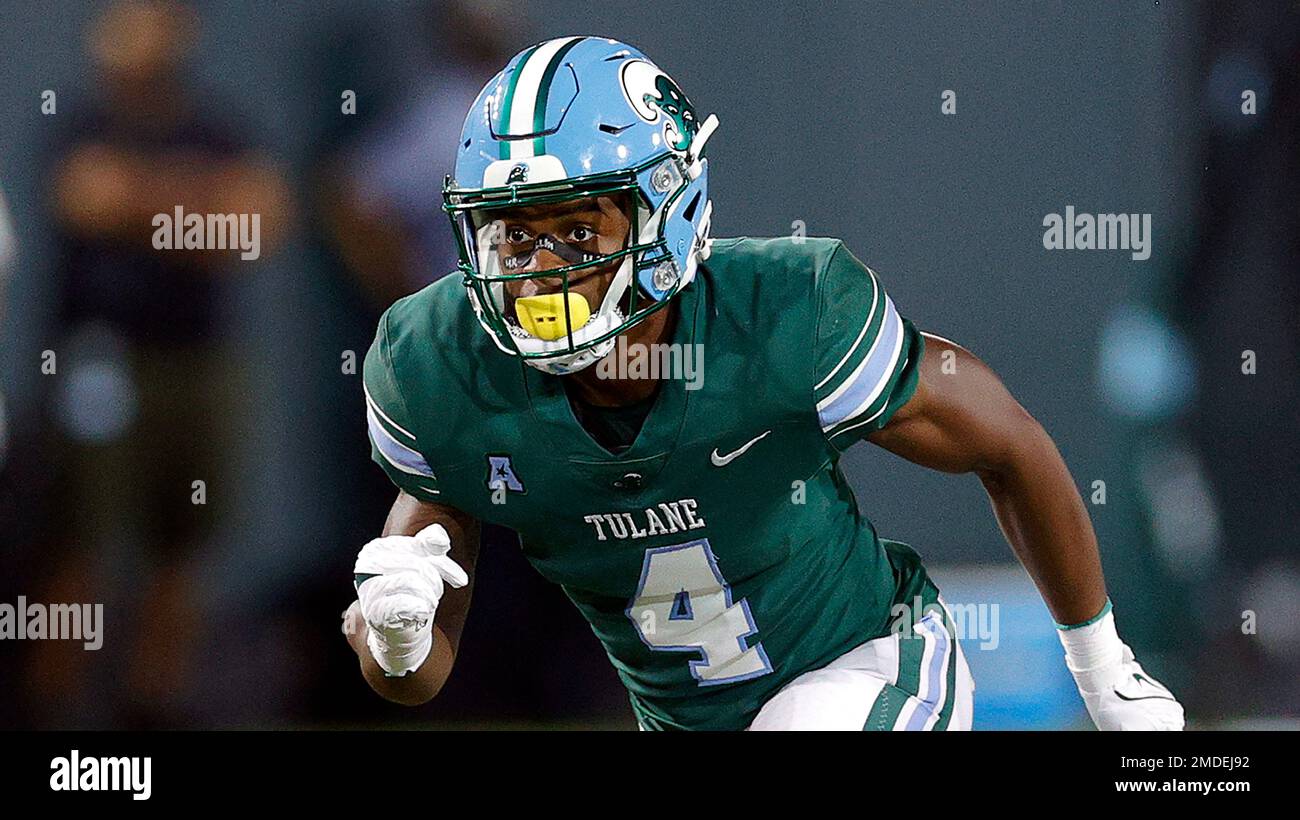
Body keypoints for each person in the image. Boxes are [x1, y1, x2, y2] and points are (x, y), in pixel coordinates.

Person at [342, 36, 1185, 731]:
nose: (540, 271)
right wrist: (393, 639)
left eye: (575, 227)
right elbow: (411, 674)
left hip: (866, 664)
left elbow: (1008, 443)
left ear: (665, 211)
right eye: (513, 237)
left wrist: (1105, 671)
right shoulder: (437, 368)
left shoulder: (784, 315)